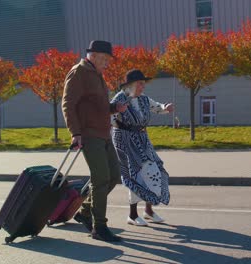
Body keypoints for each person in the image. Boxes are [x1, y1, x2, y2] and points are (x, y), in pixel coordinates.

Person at [62, 40, 128, 242]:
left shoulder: (97, 74)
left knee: (114, 176)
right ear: (94, 55)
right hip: (89, 135)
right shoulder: (79, 72)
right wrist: (75, 133)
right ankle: (99, 227)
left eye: (108, 59)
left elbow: (97, 105)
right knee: (100, 179)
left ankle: (84, 211)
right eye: (105, 58)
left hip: (104, 133)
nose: (108, 62)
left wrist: (114, 107)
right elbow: (68, 104)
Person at [110, 69, 174, 226]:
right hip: (125, 140)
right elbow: (110, 117)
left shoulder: (144, 99)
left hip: (143, 139)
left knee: (154, 170)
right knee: (135, 175)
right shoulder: (120, 98)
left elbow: (156, 106)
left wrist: (165, 107)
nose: (143, 87)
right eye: (140, 84)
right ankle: (132, 215)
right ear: (130, 85)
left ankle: (148, 211)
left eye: (143, 84)